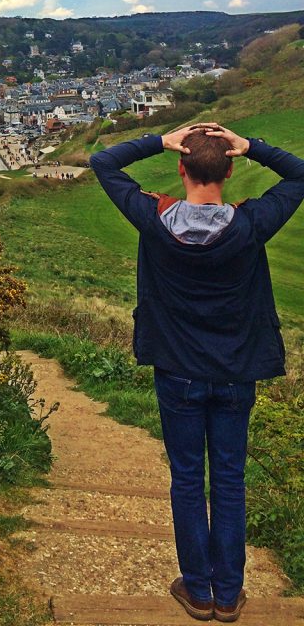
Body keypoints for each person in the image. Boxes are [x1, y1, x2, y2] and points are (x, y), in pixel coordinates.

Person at [90, 123, 304, 623]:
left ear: (181, 169)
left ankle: (198, 589)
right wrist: (255, 145)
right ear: (230, 170)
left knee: (188, 479)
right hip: (235, 371)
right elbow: (299, 175)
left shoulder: (153, 216)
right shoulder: (251, 224)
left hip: (177, 370)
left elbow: (103, 162)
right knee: (229, 479)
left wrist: (159, 140)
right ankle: (228, 593)